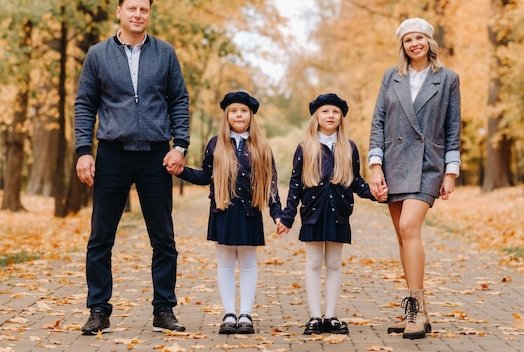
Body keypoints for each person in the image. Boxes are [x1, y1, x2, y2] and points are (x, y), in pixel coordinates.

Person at [74, 0, 190, 335]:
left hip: (156, 155)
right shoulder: (97, 55)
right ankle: (98, 309)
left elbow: (179, 101)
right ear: (119, 13)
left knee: (164, 238)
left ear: (149, 15)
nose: (138, 14)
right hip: (112, 154)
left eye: (144, 9)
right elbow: (84, 105)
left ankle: (164, 309)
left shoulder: (165, 54)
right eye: (132, 8)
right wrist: (83, 151)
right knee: (100, 237)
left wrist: (180, 146)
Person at [368, 17, 461, 340]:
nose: (414, 44)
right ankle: (413, 308)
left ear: (429, 42)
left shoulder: (447, 79)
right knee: (401, 237)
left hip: (428, 165)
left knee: (410, 228)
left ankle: (419, 310)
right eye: (408, 40)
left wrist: (451, 172)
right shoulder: (391, 77)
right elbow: (378, 121)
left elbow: (452, 128)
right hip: (393, 164)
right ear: (403, 45)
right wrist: (375, 166)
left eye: (420, 37)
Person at [276, 93, 384, 336]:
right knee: (314, 263)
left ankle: (331, 316)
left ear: (341, 117)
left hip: (339, 213)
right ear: (316, 116)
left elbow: (356, 181)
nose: (330, 115)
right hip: (313, 212)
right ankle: (315, 316)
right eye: (325, 111)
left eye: (335, 112)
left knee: (334, 264)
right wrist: (287, 216)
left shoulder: (349, 147)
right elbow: (295, 184)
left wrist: (375, 194)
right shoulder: (305, 147)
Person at [178, 91, 282, 335]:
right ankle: (228, 314)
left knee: (247, 264)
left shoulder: (262, 146)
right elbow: (205, 176)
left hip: (250, 212)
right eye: (234, 111)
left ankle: (245, 314)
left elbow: (271, 186)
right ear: (227, 115)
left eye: (243, 111)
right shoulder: (216, 144)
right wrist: (181, 172)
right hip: (223, 210)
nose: (239, 115)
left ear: (251, 116)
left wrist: (278, 215)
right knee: (225, 264)